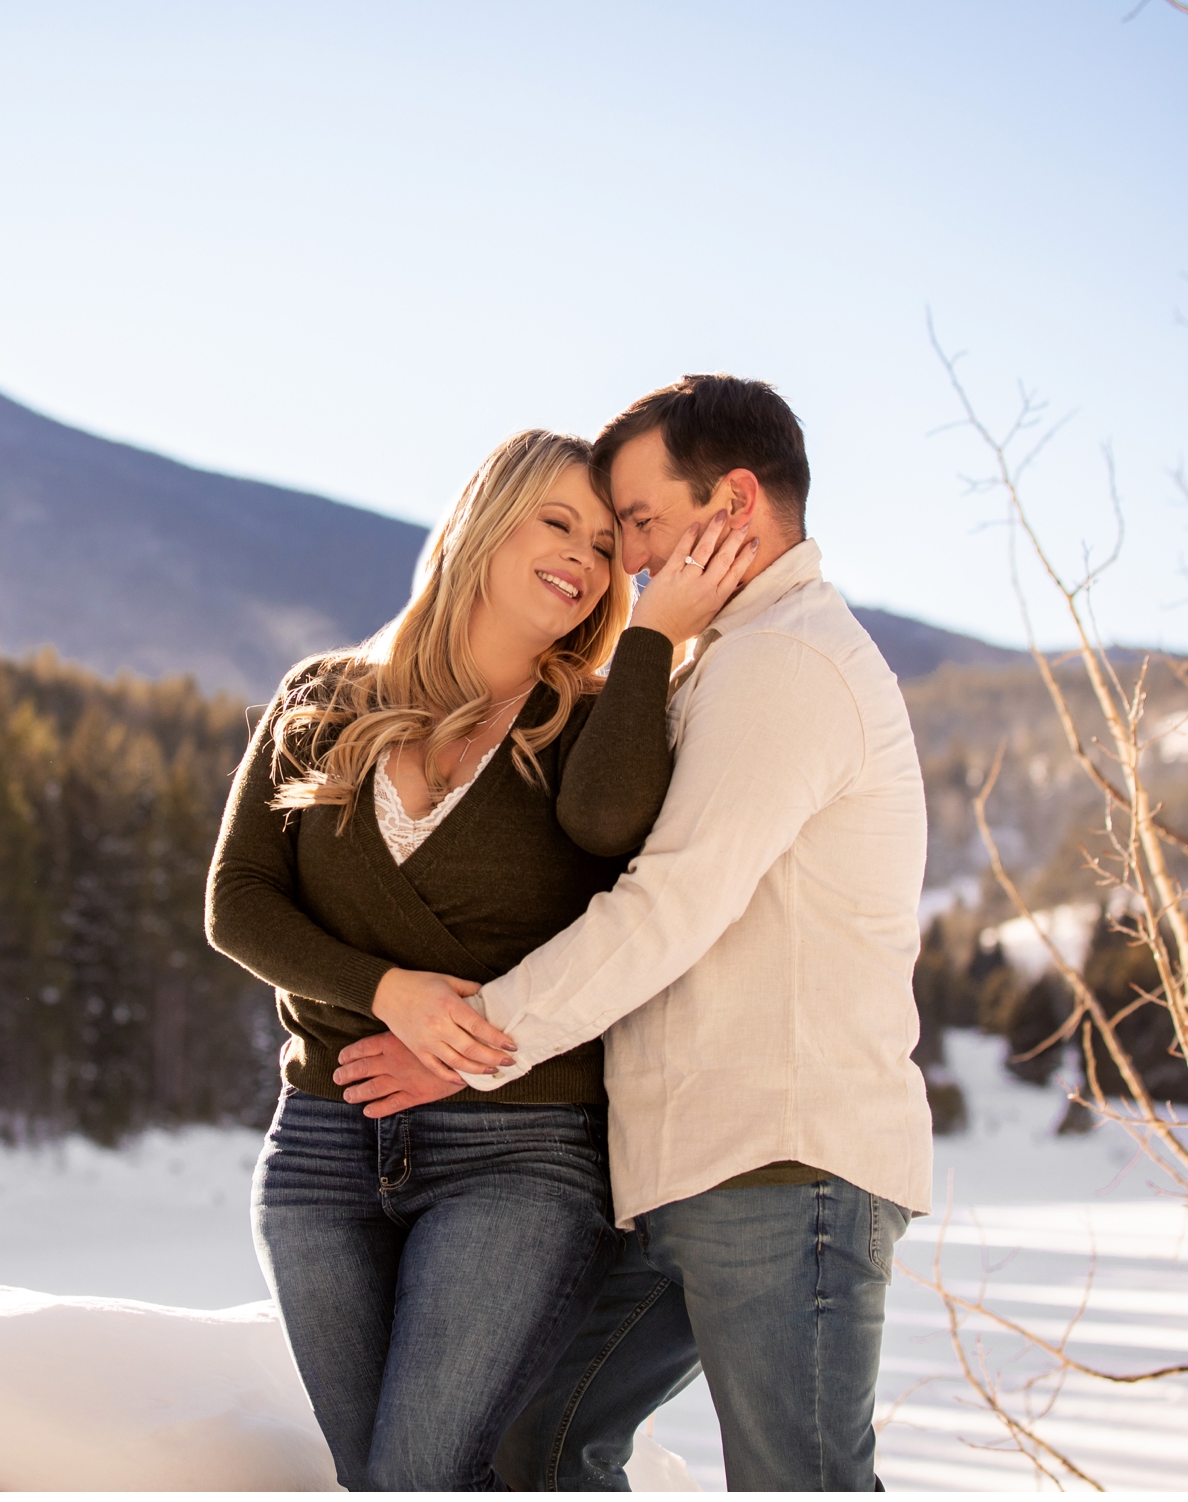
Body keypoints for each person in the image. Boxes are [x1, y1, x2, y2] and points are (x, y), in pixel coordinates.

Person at [334, 375, 933, 1492]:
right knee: (536, 1442)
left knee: (798, 1480)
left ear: (737, 500)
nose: (631, 562)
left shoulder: (785, 662)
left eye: (642, 524)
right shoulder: (721, 654)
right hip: (685, 1168)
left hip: (781, 1163)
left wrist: (470, 1036)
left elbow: (668, 905)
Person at [204, 428, 753, 1491]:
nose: (587, 560)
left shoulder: (592, 720)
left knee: (417, 1473)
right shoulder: (323, 696)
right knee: (385, 1480)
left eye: (605, 543)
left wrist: (645, 643)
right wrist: (385, 990)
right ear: (482, 520)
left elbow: (606, 830)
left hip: (516, 1152)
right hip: (322, 1146)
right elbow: (237, 903)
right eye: (559, 524)